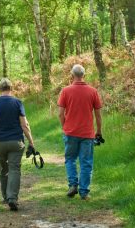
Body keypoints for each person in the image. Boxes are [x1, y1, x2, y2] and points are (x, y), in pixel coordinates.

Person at [0, 78, 34, 211]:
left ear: (0, 89)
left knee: (3, 170)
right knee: (14, 169)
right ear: (11, 89)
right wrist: (31, 142)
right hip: (15, 142)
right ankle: (12, 198)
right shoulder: (17, 102)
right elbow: (24, 124)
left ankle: (6, 197)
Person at [57, 64, 102, 200]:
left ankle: (72, 184)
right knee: (86, 162)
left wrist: (65, 127)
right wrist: (99, 131)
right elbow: (98, 115)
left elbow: (60, 114)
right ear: (84, 75)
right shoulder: (93, 91)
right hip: (87, 134)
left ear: (72, 75)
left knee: (70, 159)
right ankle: (84, 192)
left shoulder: (65, 91)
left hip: (70, 132)